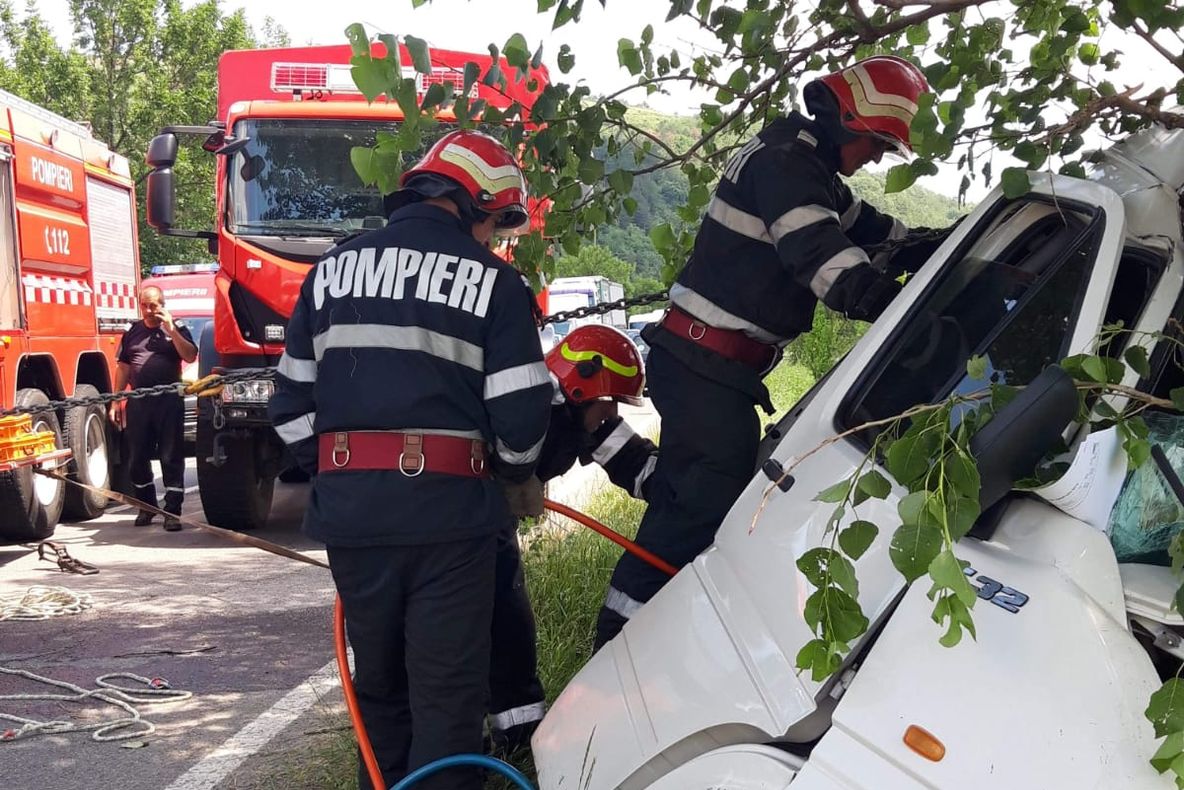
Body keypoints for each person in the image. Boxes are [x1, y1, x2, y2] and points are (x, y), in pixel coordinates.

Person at [594, 55, 946, 648]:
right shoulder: (788, 168)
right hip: (706, 366)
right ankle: (617, 647)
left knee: (690, 496)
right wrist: (921, 327)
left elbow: (879, 234)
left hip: (704, 365)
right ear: (849, 120)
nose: (880, 156)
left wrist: (948, 244)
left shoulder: (806, 168)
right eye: (878, 142)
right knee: (702, 509)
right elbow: (832, 269)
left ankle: (652, 640)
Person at [269, 129, 552, 790]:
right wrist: (509, 475)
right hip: (452, 523)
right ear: (473, 203)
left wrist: (342, 469)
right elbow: (520, 422)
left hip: (352, 518)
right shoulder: (496, 284)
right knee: (447, 700)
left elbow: (288, 405)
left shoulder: (331, 272)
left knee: (382, 687)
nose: (493, 239)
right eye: (494, 224)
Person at [487, 324, 658, 754]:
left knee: (510, 628)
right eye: (611, 401)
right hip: (464, 528)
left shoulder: (584, 418)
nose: (613, 413)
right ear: (583, 389)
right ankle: (465, 746)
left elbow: (637, 469)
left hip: (493, 531)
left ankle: (520, 741)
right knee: (476, 630)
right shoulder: (527, 407)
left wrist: (689, 478)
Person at [109, 285, 197, 531]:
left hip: (168, 402)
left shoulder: (176, 328)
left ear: (162, 304)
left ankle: (172, 511)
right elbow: (124, 367)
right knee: (137, 458)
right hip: (139, 403)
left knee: (170, 456)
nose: (149, 310)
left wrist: (171, 330)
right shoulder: (133, 332)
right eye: (145, 305)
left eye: (154, 305)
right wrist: (116, 400)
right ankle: (147, 507)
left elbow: (190, 356)